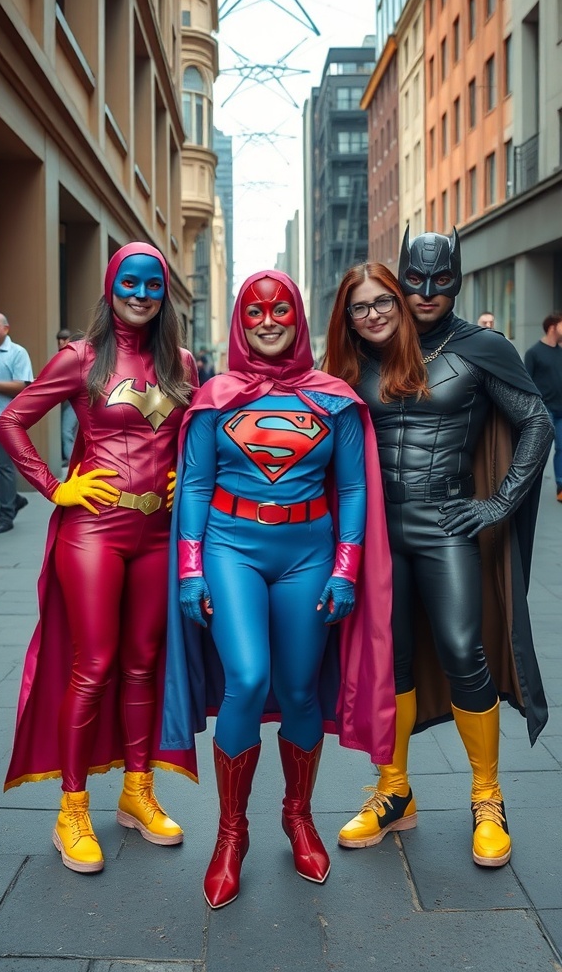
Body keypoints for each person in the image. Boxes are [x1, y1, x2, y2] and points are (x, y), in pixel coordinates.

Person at [161, 269, 395, 909]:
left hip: (309, 553)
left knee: (297, 688)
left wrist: (346, 567)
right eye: (256, 311)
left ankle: (298, 815)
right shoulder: (215, 396)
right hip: (231, 547)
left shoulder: (335, 399)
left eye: (281, 310)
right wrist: (190, 568)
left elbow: (352, 489)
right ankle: (230, 833)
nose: (268, 320)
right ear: (241, 320)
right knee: (248, 677)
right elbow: (198, 488)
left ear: (297, 318)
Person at [324, 230, 553, 869]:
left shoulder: (483, 349)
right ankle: (395, 791)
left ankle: (487, 797)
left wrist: (498, 502)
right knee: (389, 660)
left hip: (446, 523)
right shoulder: (368, 348)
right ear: (399, 278)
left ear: (457, 276)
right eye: (415, 281)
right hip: (376, 531)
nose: (426, 294)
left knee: (462, 649)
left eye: (440, 281)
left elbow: (536, 422)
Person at [0, 243, 198, 875]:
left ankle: (137, 792)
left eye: (152, 285)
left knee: (144, 663)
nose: (140, 294)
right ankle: (73, 806)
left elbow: (198, 436)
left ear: (164, 294)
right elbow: (11, 422)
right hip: (94, 529)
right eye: (129, 282)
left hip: (158, 533)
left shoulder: (182, 362)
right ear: (111, 287)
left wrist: (184, 478)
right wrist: (57, 487)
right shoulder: (81, 358)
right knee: (95, 663)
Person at [0, 312, 33, 534]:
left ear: (6, 329)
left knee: (5, 468)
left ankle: (6, 515)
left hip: (5, 422)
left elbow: (23, 386)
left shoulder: (17, 353)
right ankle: (13, 500)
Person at [524, 313, 562, 502]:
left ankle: (561, 487)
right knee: (540, 451)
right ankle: (529, 487)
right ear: (553, 327)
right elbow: (526, 382)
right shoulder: (534, 352)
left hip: (561, 409)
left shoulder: (561, 351)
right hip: (544, 409)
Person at [56, 329, 79, 463]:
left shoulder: (73, 354)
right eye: (59, 339)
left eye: (65, 339)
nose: (61, 342)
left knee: (67, 431)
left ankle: (73, 464)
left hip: (77, 399)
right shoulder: (61, 355)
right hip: (69, 400)